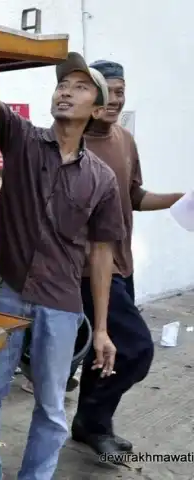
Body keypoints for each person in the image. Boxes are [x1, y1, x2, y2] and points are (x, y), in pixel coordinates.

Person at [0, 51, 125, 480]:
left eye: (81, 86)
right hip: (6, 293)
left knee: (51, 408)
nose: (66, 91)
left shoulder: (101, 178)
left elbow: (102, 254)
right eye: (62, 84)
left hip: (62, 301)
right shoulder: (20, 138)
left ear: (97, 109)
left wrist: (101, 328)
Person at [71, 59, 185, 457]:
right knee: (137, 349)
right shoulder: (72, 141)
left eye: (121, 91)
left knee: (106, 354)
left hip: (122, 262)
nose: (115, 100)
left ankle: (92, 424)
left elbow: (134, 197)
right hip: (87, 269)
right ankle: (90, 420)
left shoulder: (124, 140)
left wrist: (181, 199)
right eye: (108, 91)